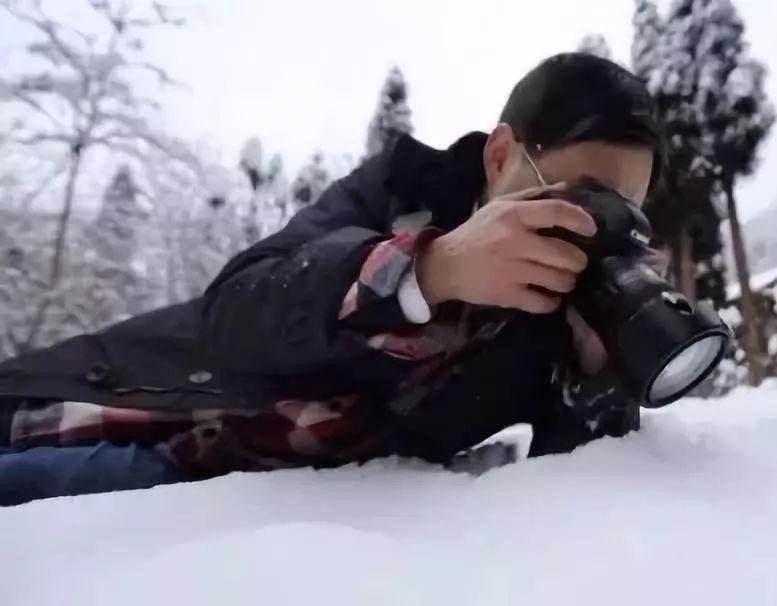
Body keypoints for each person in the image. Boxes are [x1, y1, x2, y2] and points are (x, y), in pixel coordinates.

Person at [0, 53, 667, 506]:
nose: (597, 227)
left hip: (230, 500)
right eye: (586, 197)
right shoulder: (400, 190)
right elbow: (235, 312)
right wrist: (429, 271)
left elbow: (575, 498)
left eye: (624, 214)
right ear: (500, 156)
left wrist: (602, 360)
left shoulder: (546, 331)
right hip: (110, 412)